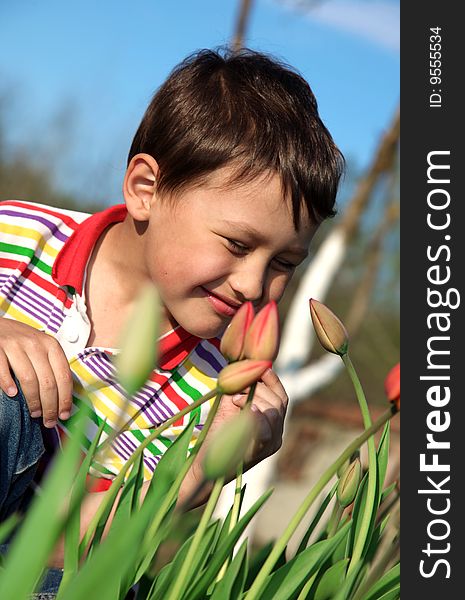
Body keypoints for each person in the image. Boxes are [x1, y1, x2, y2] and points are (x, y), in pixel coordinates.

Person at [0, 47, 343, 575]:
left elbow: (59, 555)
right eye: (235, 243)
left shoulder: (215, 391)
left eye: (285, 262)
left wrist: (200, 472)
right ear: (146, 189)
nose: (255, 284)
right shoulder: (15, 238)